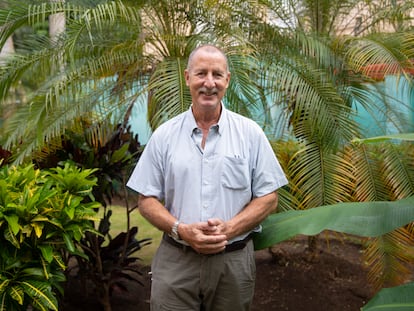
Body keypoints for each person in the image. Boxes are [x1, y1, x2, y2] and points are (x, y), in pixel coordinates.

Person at [127, 44, 288, 311]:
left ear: (227, 80)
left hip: (233, 263)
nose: (209, 83)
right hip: (176, 260)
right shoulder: (164, 136)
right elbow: (146, 199)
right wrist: (182, 230)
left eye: (217, 74)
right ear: (187, 77)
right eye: (201, 73)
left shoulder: (250, 134)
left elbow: (269, 197)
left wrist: (230, 229)